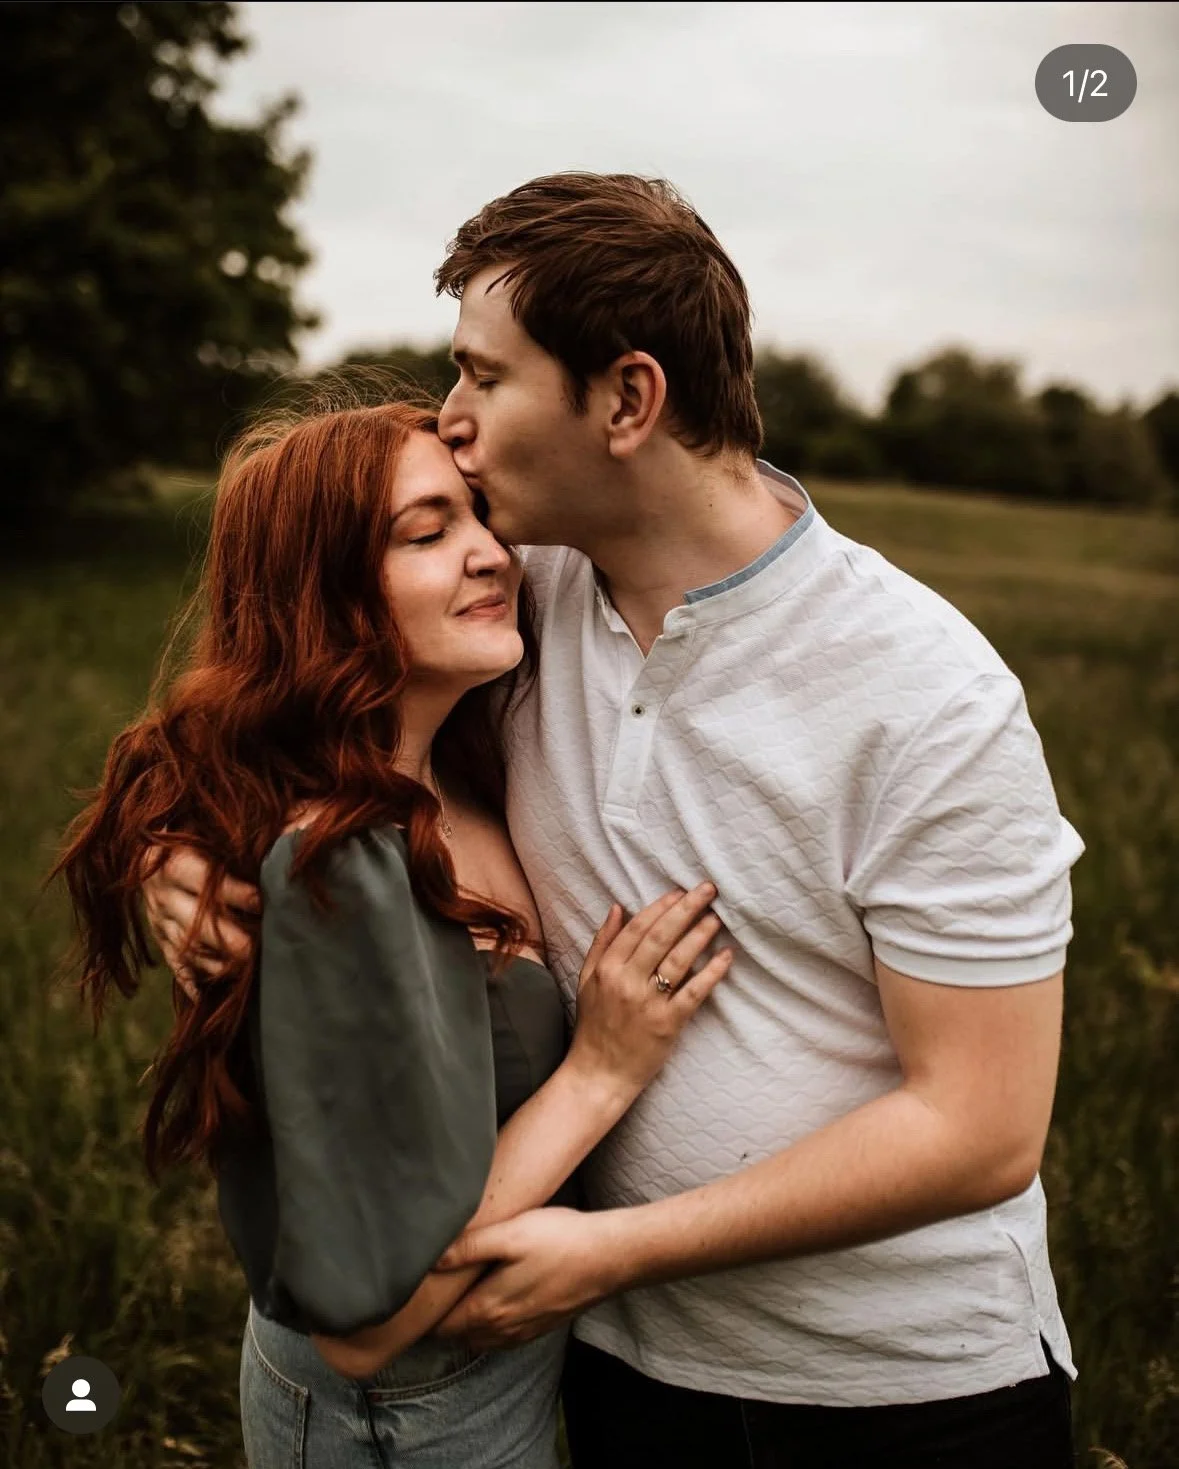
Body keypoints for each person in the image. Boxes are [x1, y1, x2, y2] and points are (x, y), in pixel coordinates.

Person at [142, 174, 1082, 1469]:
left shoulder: (924, 695)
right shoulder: (521, 590)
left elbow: (977, 1129)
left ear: (627, 400)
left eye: (481, 378)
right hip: (614, 1368)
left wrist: (613, 1246)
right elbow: (289, 684)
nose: (450, 423)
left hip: (893, 1391)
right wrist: (180, 853)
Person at [53, 394, 734, 1469]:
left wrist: (161, 839)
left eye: (479, 518)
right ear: (322, 598)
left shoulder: (467, 763)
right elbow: (363, 1323)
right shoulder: (342, 863)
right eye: (426, 534)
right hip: (405, 1414)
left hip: (492, 1384)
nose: (489, 556)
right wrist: (602, 1071)